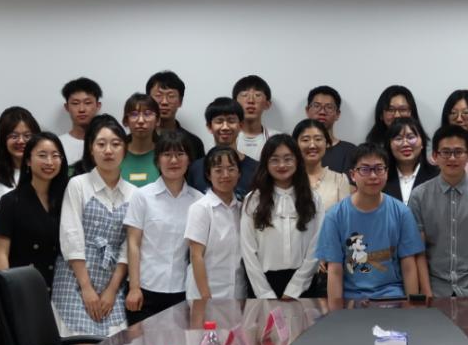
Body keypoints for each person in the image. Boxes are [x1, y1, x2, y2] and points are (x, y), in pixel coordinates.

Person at [52, 115, 134, 336]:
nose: (108, 150)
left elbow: (129, 246)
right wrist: (86, 288)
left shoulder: (134, 194)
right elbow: (71, 236)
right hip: (74, 279)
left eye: (115, 144)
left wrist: (112, 289)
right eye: (101, 144)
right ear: (91, 149)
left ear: (125, 149)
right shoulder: (78, 185)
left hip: (112, 281)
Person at [318, 143, 423, 300]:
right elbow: (335, 270)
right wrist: (337, 312)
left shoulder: (402, 212)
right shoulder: (335, 216)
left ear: (387, 172)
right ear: (353, 175)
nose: (373, 176)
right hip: (351, 299)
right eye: (365, 169)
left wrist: (411, 308)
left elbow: (408, 265)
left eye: (379, 169)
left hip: (392, 296)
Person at [408, 125, 468, 297]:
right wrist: (427, 294)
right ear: (435, 156)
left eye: (458, 152)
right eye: (446, 152)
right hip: (435, 289)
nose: (452, 158)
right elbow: (419, 250)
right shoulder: (419, 196)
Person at [124, 130, 204, 325]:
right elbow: (133, 243)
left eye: (180, 154)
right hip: (145, 289)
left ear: (189, 160)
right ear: (157, 160)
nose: (173, 160)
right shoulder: (142, 196)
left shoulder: (199, 201)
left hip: (183, 290)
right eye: (167, 154)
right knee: (142, 344)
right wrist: (134, 288)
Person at [240, 134, 321, 299]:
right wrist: (264, 292)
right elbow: (247, 250)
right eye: (274, 160)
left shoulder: (313, 199)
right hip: (263, 283)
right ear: (266, 163)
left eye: (288, 159)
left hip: (304, 283)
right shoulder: (253, 199)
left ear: (297, 161)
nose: (282, 165)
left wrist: (295, 287)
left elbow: (317, 244)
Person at [0, 132, 69, 291]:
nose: (49, 162)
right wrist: (7, 291)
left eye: (55, 156)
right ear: (28, 160)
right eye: (42, 155)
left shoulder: (67, 200)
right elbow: (1, 253)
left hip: (61, 287)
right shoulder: (10, 201)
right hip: (23, 287)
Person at [185, 145, 246, 300]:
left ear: (239, 173)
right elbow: (196, 256)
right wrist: (206, 297)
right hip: (207, 293)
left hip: (237, 292)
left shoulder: (243, 208)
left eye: (231, 169)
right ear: (208, 174)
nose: (225, 175)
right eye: (218, 170)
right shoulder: (201, 208)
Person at [0, 106, 40, 231]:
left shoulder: (45, 172)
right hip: (2, 242)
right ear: (3, 140)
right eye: (14, 136)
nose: (21, 141)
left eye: (27, 136)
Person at [187, 97, 259, 198]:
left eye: (231, 121)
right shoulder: (196, 168)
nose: (225, 127)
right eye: (219, 121)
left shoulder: (256, 169)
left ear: (241, 125)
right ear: (209, 127)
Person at [294, 118, 353, 213]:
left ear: (326, 143)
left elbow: (345, 218)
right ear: (295, 144)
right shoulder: (287, 179)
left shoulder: (340, 180)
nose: (312, 145)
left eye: (318, 139)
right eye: (305, 140)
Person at [146, 70, 206, 159]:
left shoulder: (193, 142)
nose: (164, 102)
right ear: (148, 100)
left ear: (180, 101)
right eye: (158, 96)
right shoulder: (137, 141)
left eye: (171, 96)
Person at [383, 116, 438, 203]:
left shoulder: (437, 176)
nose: (405, 144)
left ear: (422, 143)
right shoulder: (381, 177)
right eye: (398, 139)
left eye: (411, 137)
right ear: (389, 145)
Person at [306, 85, 356, 173]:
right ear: (307, 110)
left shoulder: (351, 151)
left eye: (329, 107)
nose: (322, 112)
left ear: (337, 114)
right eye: (317, 106)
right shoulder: (295, 149)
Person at [58, 77, 102, 166]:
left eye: (87, 103)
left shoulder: (109, 144)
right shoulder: (57, 144)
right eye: (75, 103)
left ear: (98, 106)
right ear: (67, 107)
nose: (81, 109)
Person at [234, 75, 278, 160]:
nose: (251, 100)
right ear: (234, 103)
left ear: (267, 104)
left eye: (257, 95)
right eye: (244, 95)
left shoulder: (277, 139)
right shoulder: (226, 137)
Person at [120, 93, 160, 188]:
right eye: (134, 114)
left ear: (158, 121)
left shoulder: (164, 154)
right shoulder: (116, 153)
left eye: (147, 114)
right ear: (126, 121)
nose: (141, 120)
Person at [365, 84, 422, 149]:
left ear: (411, 113)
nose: (397, 115)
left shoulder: (420, 144)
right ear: (381, 115)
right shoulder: (372, 148)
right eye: (390, 110)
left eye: (403, 109)